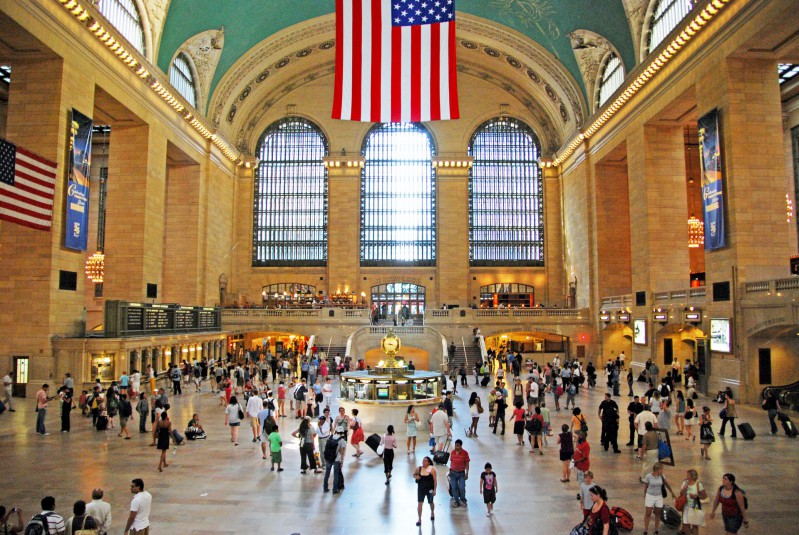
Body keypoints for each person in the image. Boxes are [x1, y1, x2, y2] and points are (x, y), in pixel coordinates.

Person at [643, 462, 676, 535]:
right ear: (657, 470)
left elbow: (666, 484)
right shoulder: (648, 476)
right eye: (661, 469)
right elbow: (646, 486)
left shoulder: (662, 476)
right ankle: (646, 529)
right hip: (650, 496)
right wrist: (645, 495)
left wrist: (672, 492)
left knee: (658, 513)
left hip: (659, 496)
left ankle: (656, 529)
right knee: (648, 513)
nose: (662, 471)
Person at [679, 469, 708, 534]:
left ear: (692, 476)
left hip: (695, 506)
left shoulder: (698, 484)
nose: (686, 476)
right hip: (686, 506)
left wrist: (696, 496)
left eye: (688, 475)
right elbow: (681, 494)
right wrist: (684, 488)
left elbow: (705, 496)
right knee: (686, 524)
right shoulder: (684, 483)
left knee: (695, 524)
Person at [413, 456, 438, 526]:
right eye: (423, 461)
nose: (424, 462)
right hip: (421, 489)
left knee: (431, 502)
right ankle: (419, 519)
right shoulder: (419, 469)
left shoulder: (432, 469)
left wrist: (435, 490)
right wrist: (416, 476)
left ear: (429, 462)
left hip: (430, 489)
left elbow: (435, 480)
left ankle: (432, 512)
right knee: (420, 503)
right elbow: (414, 474)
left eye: (425, 461)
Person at [449, 439, 470, 507]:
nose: (456, 447)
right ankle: (456, 501)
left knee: (462, 487)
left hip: (461, 473)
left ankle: (463, 500)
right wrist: (450, 471)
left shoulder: (465, 453)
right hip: (453, 473)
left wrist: (467, 473)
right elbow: (451, 462)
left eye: (458, 445)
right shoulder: (452, 452)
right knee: (454, 488)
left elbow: (467, 463)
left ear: (461, 446)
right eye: (455, 445)